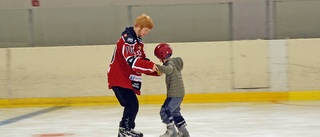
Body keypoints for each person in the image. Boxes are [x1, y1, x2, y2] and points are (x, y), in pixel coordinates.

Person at [107, 13, 158, 137]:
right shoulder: (128, 39)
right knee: (131, 104)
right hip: (118, 77)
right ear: (139, 27)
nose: (146, 33)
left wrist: (158, 70)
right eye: (145, 30)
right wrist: (151, 66)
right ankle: (123, 130)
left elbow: (142, 60)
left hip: (125, 78)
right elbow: (132, 61)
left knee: (133, 104)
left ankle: (128, 129)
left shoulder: (137, 41)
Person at [154, 43, 190, 137]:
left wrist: (158, 67)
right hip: (179, 93)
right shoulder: (174, 62)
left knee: (164, 111)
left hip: (174, 94)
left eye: (159, 57)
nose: (159, 59)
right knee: (175, 112)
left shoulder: (170, 64)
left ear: (162, 55)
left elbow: (168, 70)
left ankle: (171, 131)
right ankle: (183, 132)